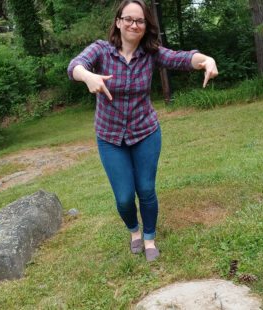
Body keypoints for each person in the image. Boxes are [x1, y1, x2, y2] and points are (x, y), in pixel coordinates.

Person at [67, 0, 218, 262]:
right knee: (125, 197)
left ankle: (149, 238)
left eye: (140, 21)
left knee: (146, 189)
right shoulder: (101, 51)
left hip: (145, 132)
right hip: (110, 137)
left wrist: (206, 60)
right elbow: (75, 65)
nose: (134, 25)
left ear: (146, 25)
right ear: (118, 22)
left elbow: (181, 58)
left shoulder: (151, 53)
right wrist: (87, 75)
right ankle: (134, 231)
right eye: (129, 19)